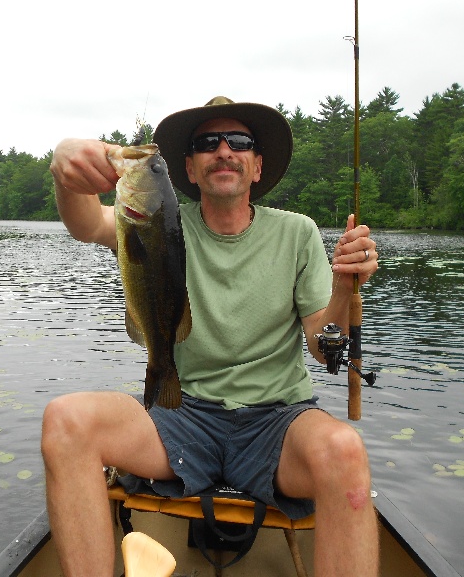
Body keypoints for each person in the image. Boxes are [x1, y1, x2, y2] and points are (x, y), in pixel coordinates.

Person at [42, 96, 380, 577]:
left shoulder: (298, 233)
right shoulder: (158, 218)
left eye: (238, 141)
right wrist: (64, 164)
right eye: (207, 143)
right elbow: (84, 222)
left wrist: (345, 287)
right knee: (65, 420)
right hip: (182, 413)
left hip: (277, 421)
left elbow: (321, 345)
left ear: (257, 166)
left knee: (345, 452)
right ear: (189, 169)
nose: (223, 150)